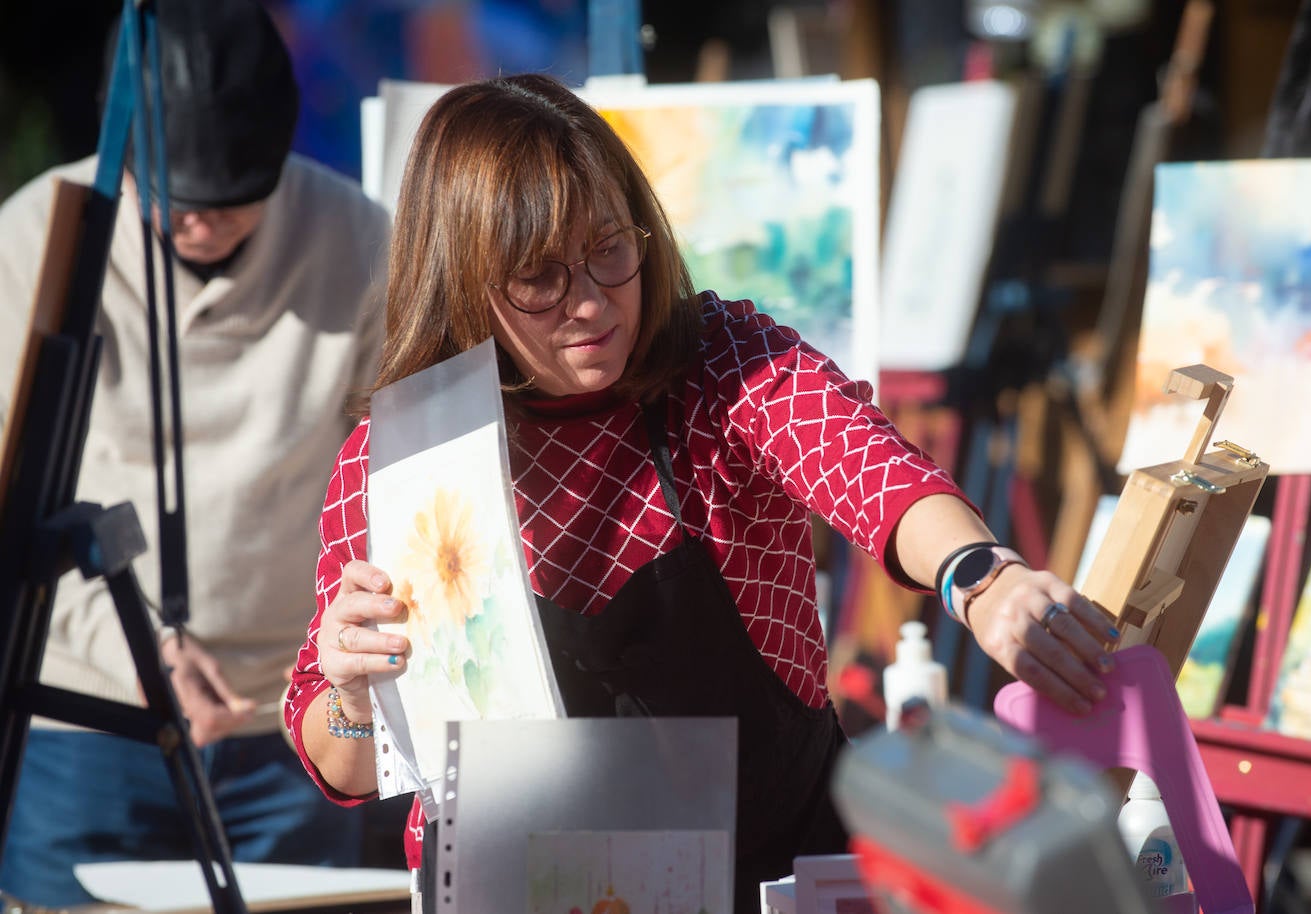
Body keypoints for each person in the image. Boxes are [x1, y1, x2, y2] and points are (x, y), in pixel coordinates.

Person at [284, 73, 1120, 914]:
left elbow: (859, 461)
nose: (589, 301)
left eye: (611, 247)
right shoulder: (399, 462)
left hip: (776, 874)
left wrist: (981, 575)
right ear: (465, 279)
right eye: (539, 276)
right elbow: (341, 764)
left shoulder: (721, 366)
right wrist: (356, 695)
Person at [0, 0, 392, 906]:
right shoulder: (33, 242)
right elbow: (17, 502)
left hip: (291, 729)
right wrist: (134, 647)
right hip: (87, 723)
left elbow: (389, 484)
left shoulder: (360, 240)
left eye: (233, 202)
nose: (200, 228)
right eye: (174, 205)